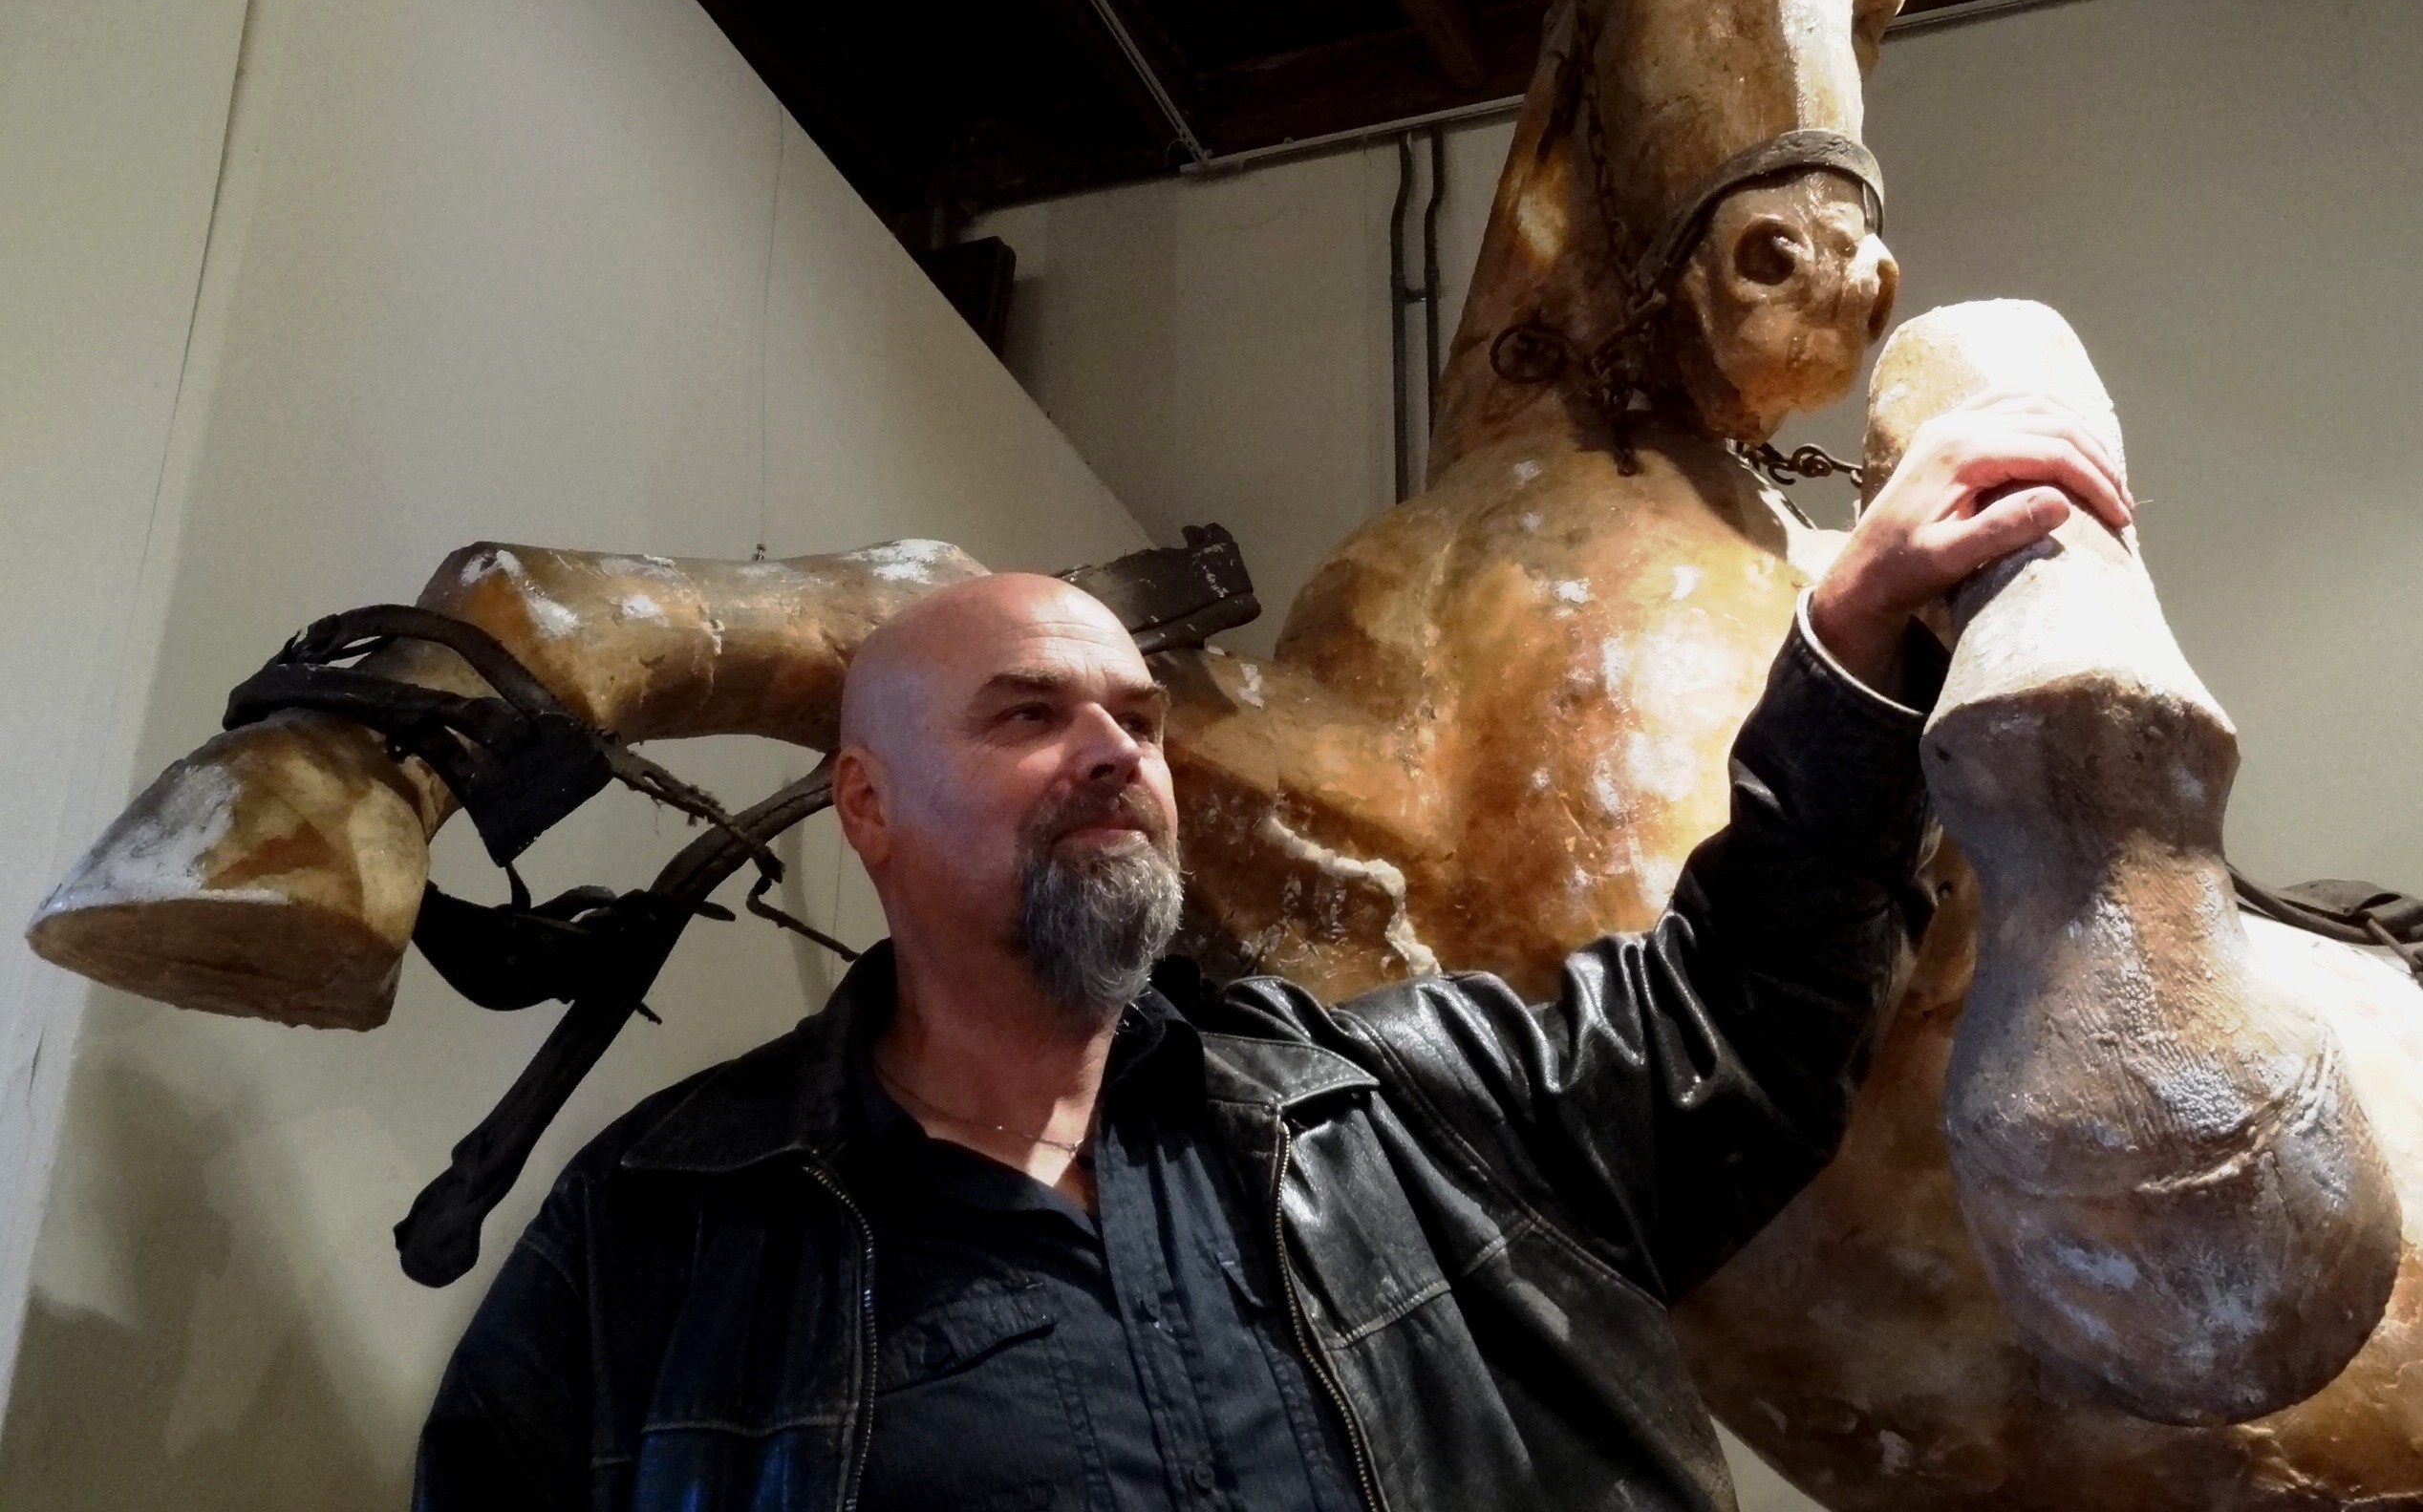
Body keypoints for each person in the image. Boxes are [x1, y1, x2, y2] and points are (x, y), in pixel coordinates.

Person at [414, 394, 2132, 1512]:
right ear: (866, 806)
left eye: (1138, 717)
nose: (1116, 754)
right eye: (1028, 715)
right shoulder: (660, 1231)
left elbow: (1743, 1015)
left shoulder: (1420, 1108)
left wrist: (1850, 645)